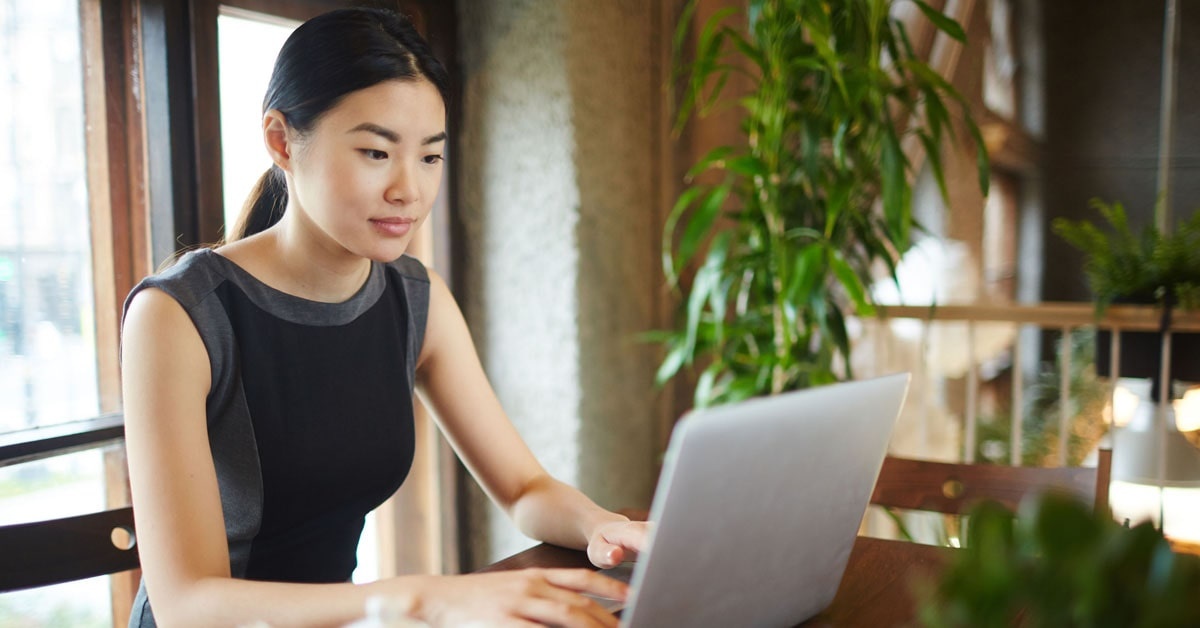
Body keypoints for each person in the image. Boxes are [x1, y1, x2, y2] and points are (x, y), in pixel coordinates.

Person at [120, 8, 647, 627]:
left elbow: (525, 489)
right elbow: (188, 604)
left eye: (429, 157)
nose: (410, 190)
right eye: (376, 152)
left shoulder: (412, 297)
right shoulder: (180, 313)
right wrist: (418, 598)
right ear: (282, 140)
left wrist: (606, 526)